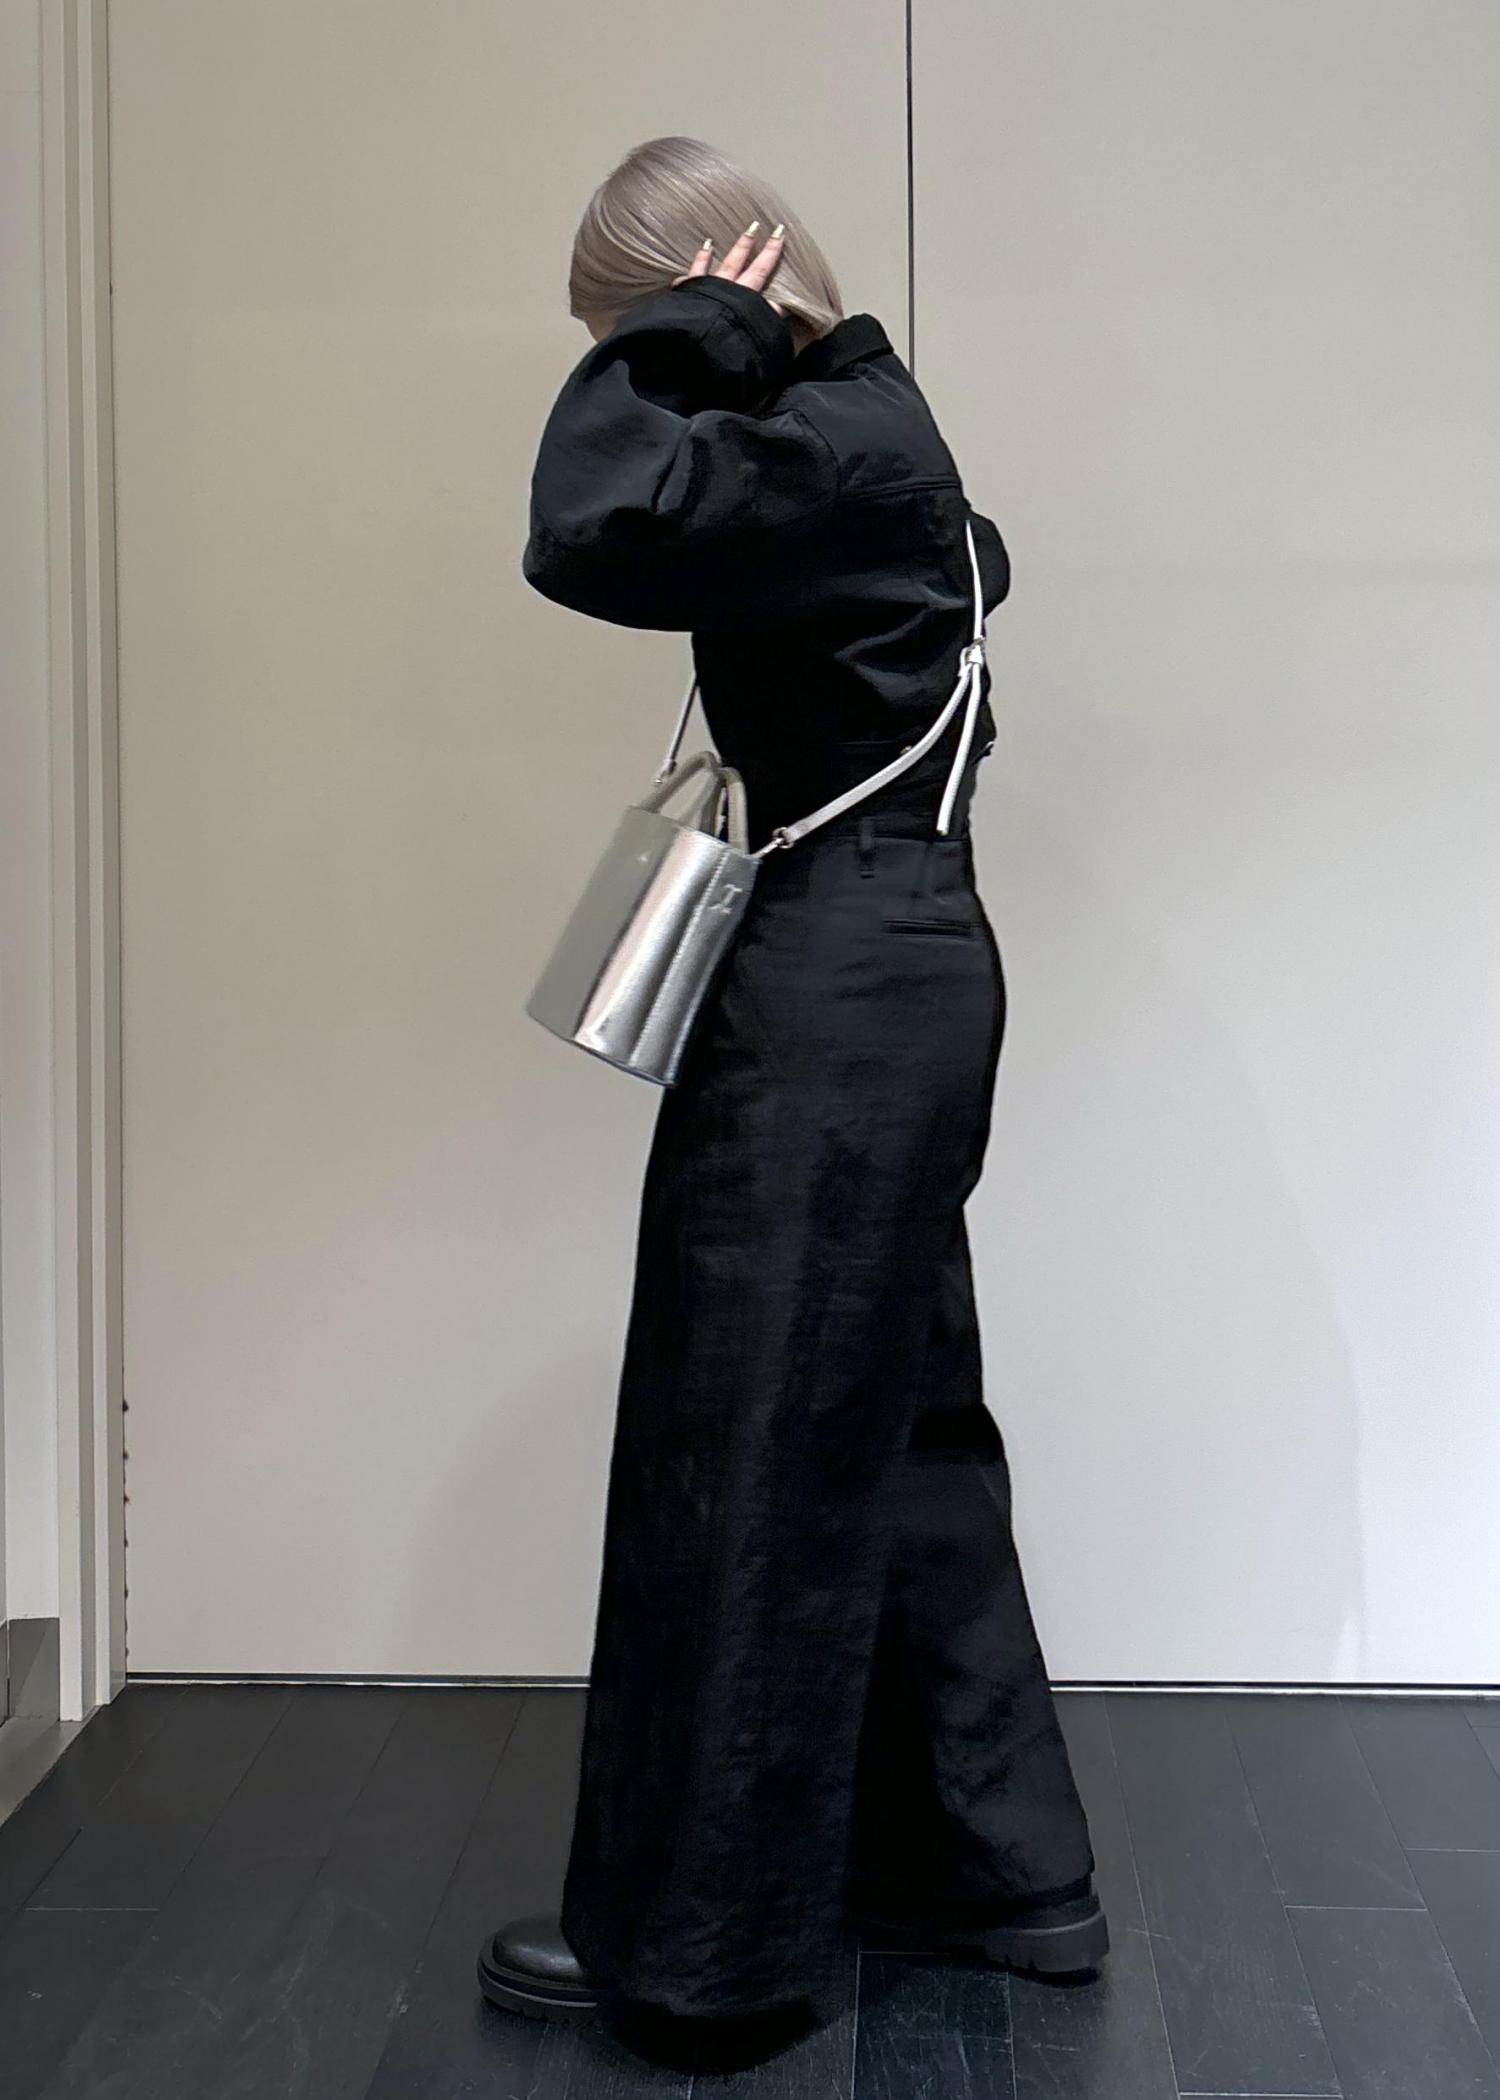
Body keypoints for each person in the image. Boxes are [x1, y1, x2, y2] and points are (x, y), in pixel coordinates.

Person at [479, 134, 1107, 2050]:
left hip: (837, 990)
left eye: (625, 317)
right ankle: (1000, 1876)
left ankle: (710, 1952)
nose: (623, 362)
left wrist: (687, 331)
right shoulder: (867, 435)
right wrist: (722, 335)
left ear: (713, 285)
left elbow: (587, 521)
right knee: (895, 1429)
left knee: (741, 1446)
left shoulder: (834, 435)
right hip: (891, 967)